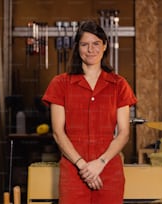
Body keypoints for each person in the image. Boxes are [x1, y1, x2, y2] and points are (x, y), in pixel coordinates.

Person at [42, 20, 137, 204]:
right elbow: (58, 132)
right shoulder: (60, 84)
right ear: (77, 48)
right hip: (73, 171)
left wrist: (100, 163)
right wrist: (83, 166)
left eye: (96, 44)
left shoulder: (119, 85)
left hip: (109, 170)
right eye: (85, 44)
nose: (90, 50)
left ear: (105, 46)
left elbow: (124, 133)